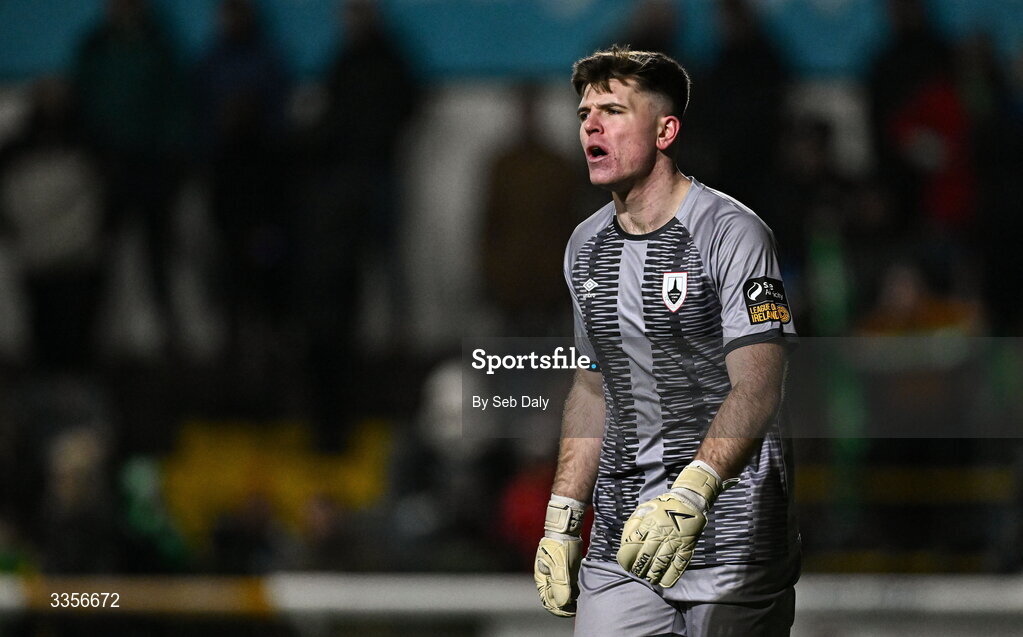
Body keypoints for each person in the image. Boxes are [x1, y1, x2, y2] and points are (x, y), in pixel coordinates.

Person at [533, 46, 799, 636]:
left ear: (665, 130)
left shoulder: (734, 233)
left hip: (734, 538)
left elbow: (758, 389)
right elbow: (591, 386)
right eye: (584, 114)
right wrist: (562, 517)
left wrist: (690, 498)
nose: (591, 126)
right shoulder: (585, 246)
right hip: (620, 546)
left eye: (613, 110)